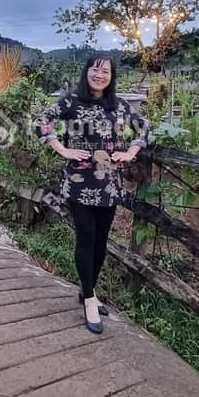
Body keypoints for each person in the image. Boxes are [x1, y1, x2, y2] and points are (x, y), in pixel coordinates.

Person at [32, 56, 151, 334]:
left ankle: (89, 290)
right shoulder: (71, 101)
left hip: (109, 183)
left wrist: (130, 152)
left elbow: (145, 127)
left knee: (100, 240)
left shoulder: (118, 105)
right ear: (86, 72)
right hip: (79, 181)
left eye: (105, 71)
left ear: (111, 76)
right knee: (86, 237)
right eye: (95, 69)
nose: (99, 74)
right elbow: (41, 121)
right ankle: (88, 298)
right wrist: (62, 149)